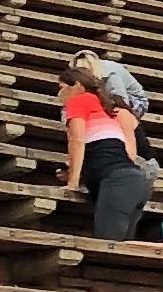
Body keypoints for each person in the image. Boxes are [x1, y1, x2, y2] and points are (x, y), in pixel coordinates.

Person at [61, 61, 148, 242]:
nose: (59, 94)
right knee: (122, 248)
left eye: (61, 88)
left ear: (77, 86)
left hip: (117, 182)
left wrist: (73, 182)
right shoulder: (104, 107)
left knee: (107, 245)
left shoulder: (79, 100)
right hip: (135, 181)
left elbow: (77, 141)